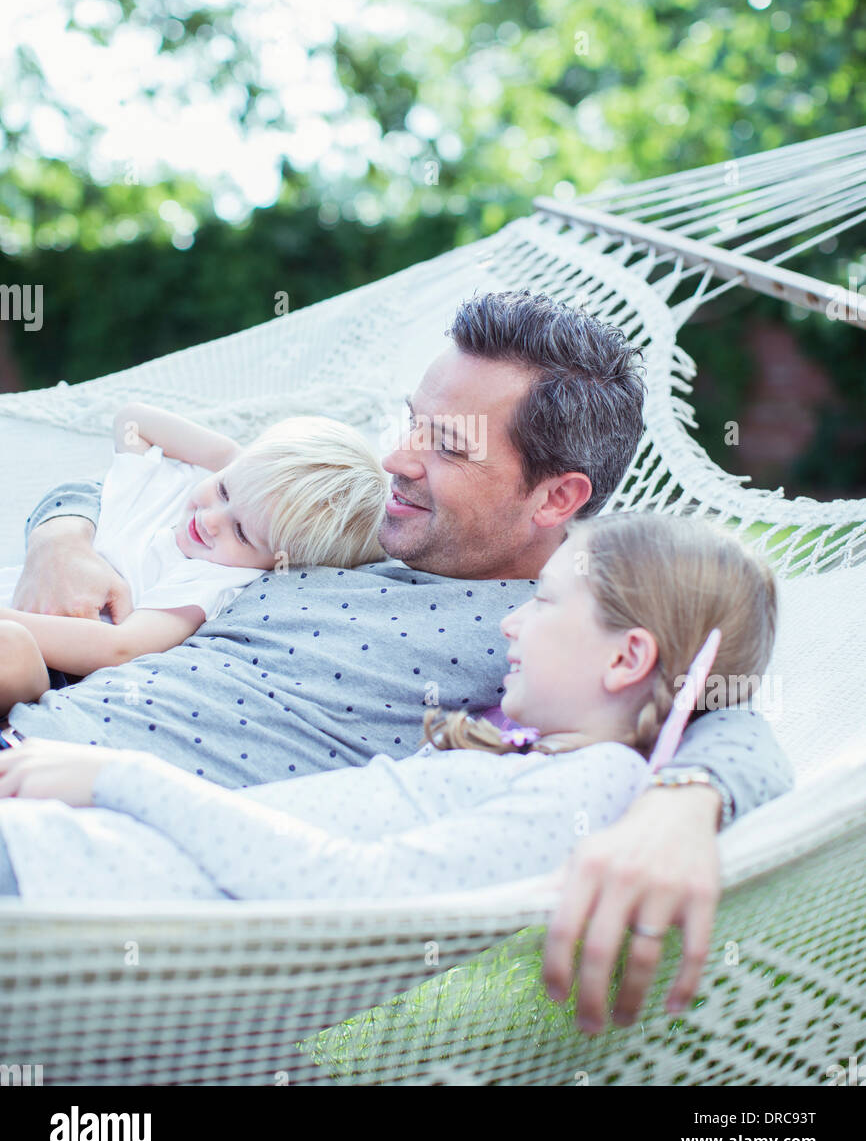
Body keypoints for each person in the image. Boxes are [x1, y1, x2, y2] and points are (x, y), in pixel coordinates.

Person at [0, 289, 793, 1029]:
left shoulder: (564, 629)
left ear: (556, 498)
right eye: (412, 423)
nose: (397, 459)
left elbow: (722, 698)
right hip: (33, 719)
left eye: (446, 446)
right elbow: (167, 486)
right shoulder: (365, 527)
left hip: (81, 844)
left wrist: (683, 803)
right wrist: (62, 537)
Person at [0, 512, 777, 909]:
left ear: (627, 658)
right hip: (63, 861)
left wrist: (119, 777)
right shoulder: (546, 763)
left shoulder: (598, 783)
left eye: (543, 603)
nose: (510, 622)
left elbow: (365, 898)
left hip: (62, 886)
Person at [0, 403, 387, 712]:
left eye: (241, 532)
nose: (210, 520)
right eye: (224, 491)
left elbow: (120, 648)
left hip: (46, 663)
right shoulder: (168, 485)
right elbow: (131, 420)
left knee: (11, 649)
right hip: (18, 594)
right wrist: (236, 460)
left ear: (281, 562)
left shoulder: (212, 581)